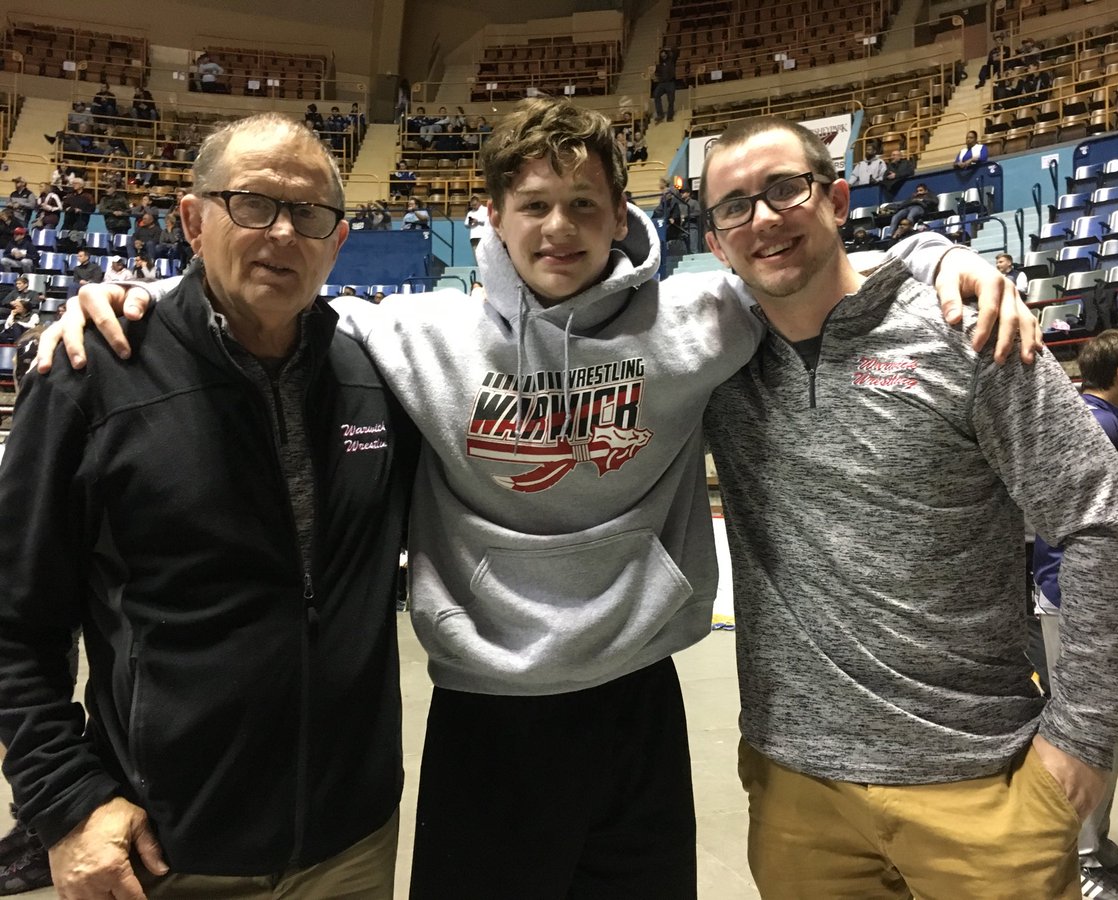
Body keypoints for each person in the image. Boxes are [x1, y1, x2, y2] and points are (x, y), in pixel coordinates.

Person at [44, 99, 1036, 899]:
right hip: (487, 709)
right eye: (534, 205)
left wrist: (946, 258)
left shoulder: (705, 316)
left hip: (635, 699)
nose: (559, 227)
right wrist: (118, 294)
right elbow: (259, 290)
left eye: (584, 205)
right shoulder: (410, 337)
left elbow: (820, 270)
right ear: (493, 219)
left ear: (623, 217)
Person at [698, 116, 1118, 899]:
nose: (763, 218)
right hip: (794, 788)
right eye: (734, 206)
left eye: (785, 189)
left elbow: (1103, 523)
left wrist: (1085, 741)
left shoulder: (965, 330)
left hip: (980, 783)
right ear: (715, 241)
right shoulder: (713, 360)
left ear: (837, 199)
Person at [0, 112, 420, 898]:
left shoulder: (375, 378)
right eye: (253, 204)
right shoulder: (90, 376)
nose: (283, 233)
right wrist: (64, 806)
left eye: (309, 215)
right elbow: (16, 626)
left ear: (338, 241)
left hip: (350, 841)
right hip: (167, 848)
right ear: (194, 221)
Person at [1032, 329, 1118, 900]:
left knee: (1105, 726)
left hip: (1090, 597)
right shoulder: (1097, 426)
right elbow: (1076, 528)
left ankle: (1095, 844)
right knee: (1085, 730)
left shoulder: (1108, 424)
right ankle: (1077, 860)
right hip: (1077, 600)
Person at [651, 47, 679, 123]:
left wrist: (667, 48)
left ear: (666, 54)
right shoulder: (659, 65)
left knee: (671, 100)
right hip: (662, 84)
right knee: (656, 95)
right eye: (661, 54)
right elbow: (653, 73)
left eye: (664, 54)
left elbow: (676, 50)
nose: (663, 55)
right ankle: (660, 114)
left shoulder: (672, 61)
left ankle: (669, 117)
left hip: (670, 83)